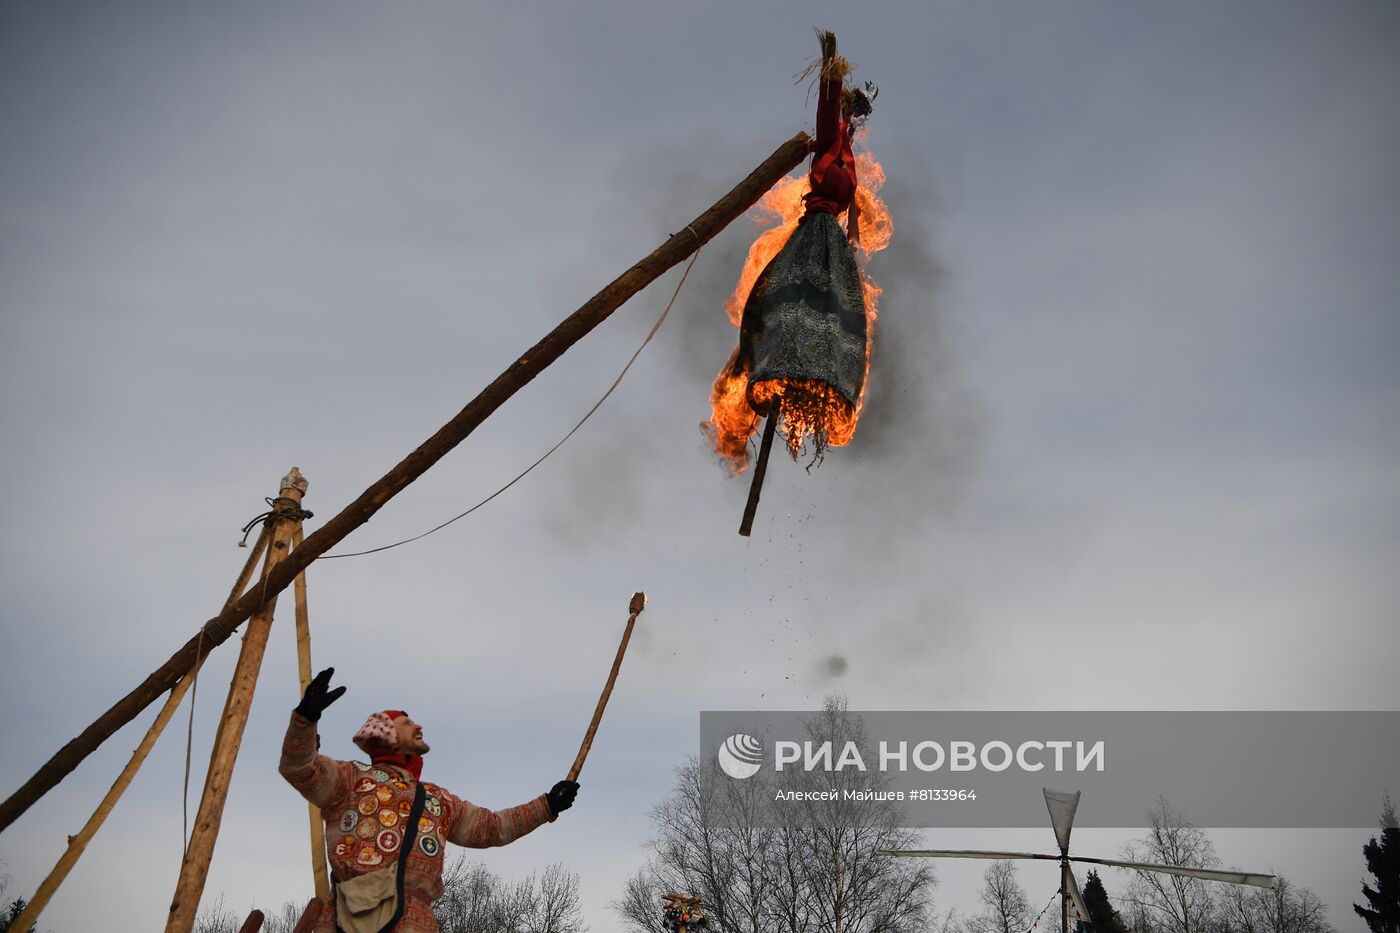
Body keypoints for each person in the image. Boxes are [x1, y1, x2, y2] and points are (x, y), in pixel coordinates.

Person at [279, 667, 579, 933]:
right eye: (408, 723)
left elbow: (493, 827)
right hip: (344, 917)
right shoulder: (351, 780)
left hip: (413, 920)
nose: (419, 727)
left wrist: (547, 805)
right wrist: (305, 720)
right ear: (386, 733)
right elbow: (299, 767)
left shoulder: (438, 801)